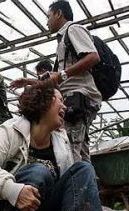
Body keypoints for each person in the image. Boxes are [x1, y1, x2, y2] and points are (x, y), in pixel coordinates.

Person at [10, 0, 101, 162]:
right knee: (80, 151)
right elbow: (55, 79)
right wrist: (28, 81)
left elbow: (93, 57)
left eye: (49, 16)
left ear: (59, 13)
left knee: (70, 151)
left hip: (79, 98)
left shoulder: (73, 29)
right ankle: (88, 183)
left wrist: (62, 75)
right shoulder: (62, 41)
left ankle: (76, 184)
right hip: (74, 99)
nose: (47, 21)